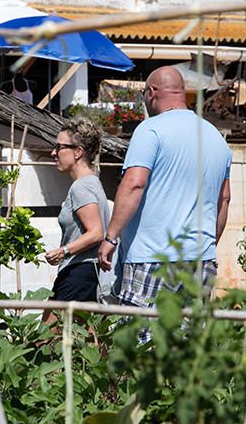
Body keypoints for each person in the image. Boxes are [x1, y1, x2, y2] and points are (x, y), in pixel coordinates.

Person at [98, 66, 232, 307]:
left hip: (152, 258)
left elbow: (135, 184)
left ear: (151, 93)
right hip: (200, 261)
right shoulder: (215, 137)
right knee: (188, 341)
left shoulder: (150, 130)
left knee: (142, 340)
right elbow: (224, 199)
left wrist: (110, 237)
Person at [43, 118, 111, 314]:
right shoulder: (92, 183)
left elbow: (96, 232)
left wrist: (63, 251)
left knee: (46, 337)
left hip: (78, 273)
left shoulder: (81, 187)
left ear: (78, 152)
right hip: (85, 274)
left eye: (59, 147)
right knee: (85, 338)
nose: (53, 152)